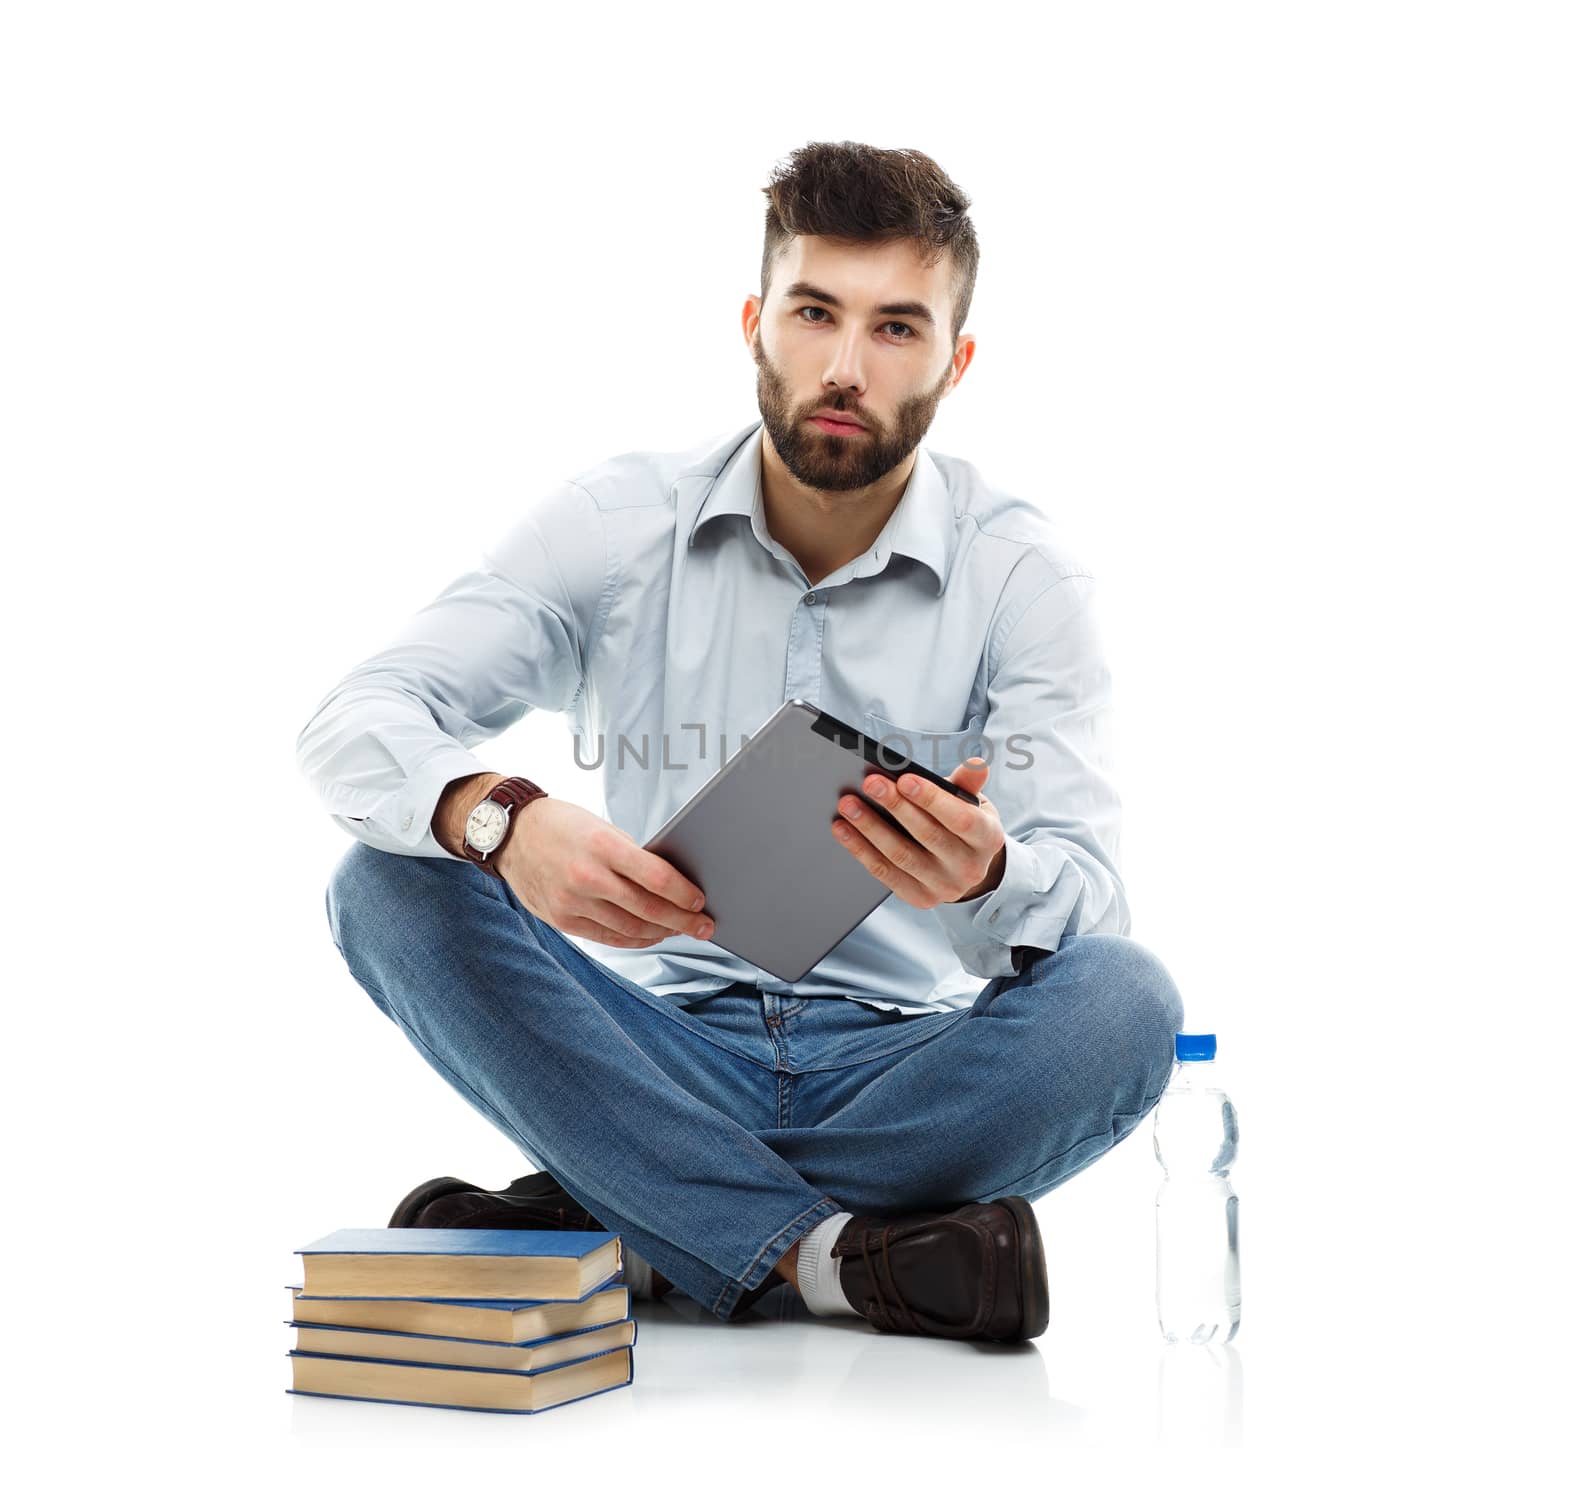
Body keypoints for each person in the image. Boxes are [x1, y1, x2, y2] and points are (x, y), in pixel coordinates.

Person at [297, 140, 1184, 1344]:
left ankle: (630, 1212)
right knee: (385, 881)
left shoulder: (1023, 576)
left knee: (1126, 1002)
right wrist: (500, 818)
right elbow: (355, 719)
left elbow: (1087, 908)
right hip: (644, 1049)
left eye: (894, 329)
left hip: (906, 1071)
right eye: (813, 313)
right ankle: (829, 1258)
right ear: (756, 323)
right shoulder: (616, 523)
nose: (841, 365)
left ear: (955, 360)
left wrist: (988, 877)